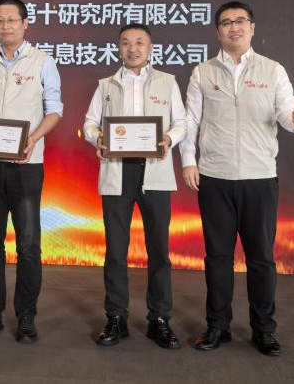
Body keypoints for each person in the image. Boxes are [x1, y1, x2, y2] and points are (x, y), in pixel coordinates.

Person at [180, 1, 294, 356]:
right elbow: (191, 120)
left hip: (259, 177)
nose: (233, 27)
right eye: (226, 22)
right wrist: (189, 161)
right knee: (217, 258)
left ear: (252, 27)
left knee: (261, 259)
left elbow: (287, 112)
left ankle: (264, 330)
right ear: (217, 32)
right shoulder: (203, 72)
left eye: (240, 21)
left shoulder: (273, 70)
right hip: (214, 177)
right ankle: (217, 327)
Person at [0, 0, 63, 344]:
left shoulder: (42, 62)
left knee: (29, 244)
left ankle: (26, 315)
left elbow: (54, 110)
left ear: (24, 23)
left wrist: (32, 139)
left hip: (25, 166)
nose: (5, 26)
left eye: (11, 20)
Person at [82, 23, 187, 349]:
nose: (132, 48)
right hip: (117, 172)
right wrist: (97, 138)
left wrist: (169, 139)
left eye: (139, 42)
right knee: (116, 251)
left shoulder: (167, 82)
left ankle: (160, 319)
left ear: (150, 48)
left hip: (155, 171)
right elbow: (89, 122)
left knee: (159, 251)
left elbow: (182, 122)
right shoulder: (106, 85)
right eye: (126, 43)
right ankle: (116, 317)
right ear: (119, 48)